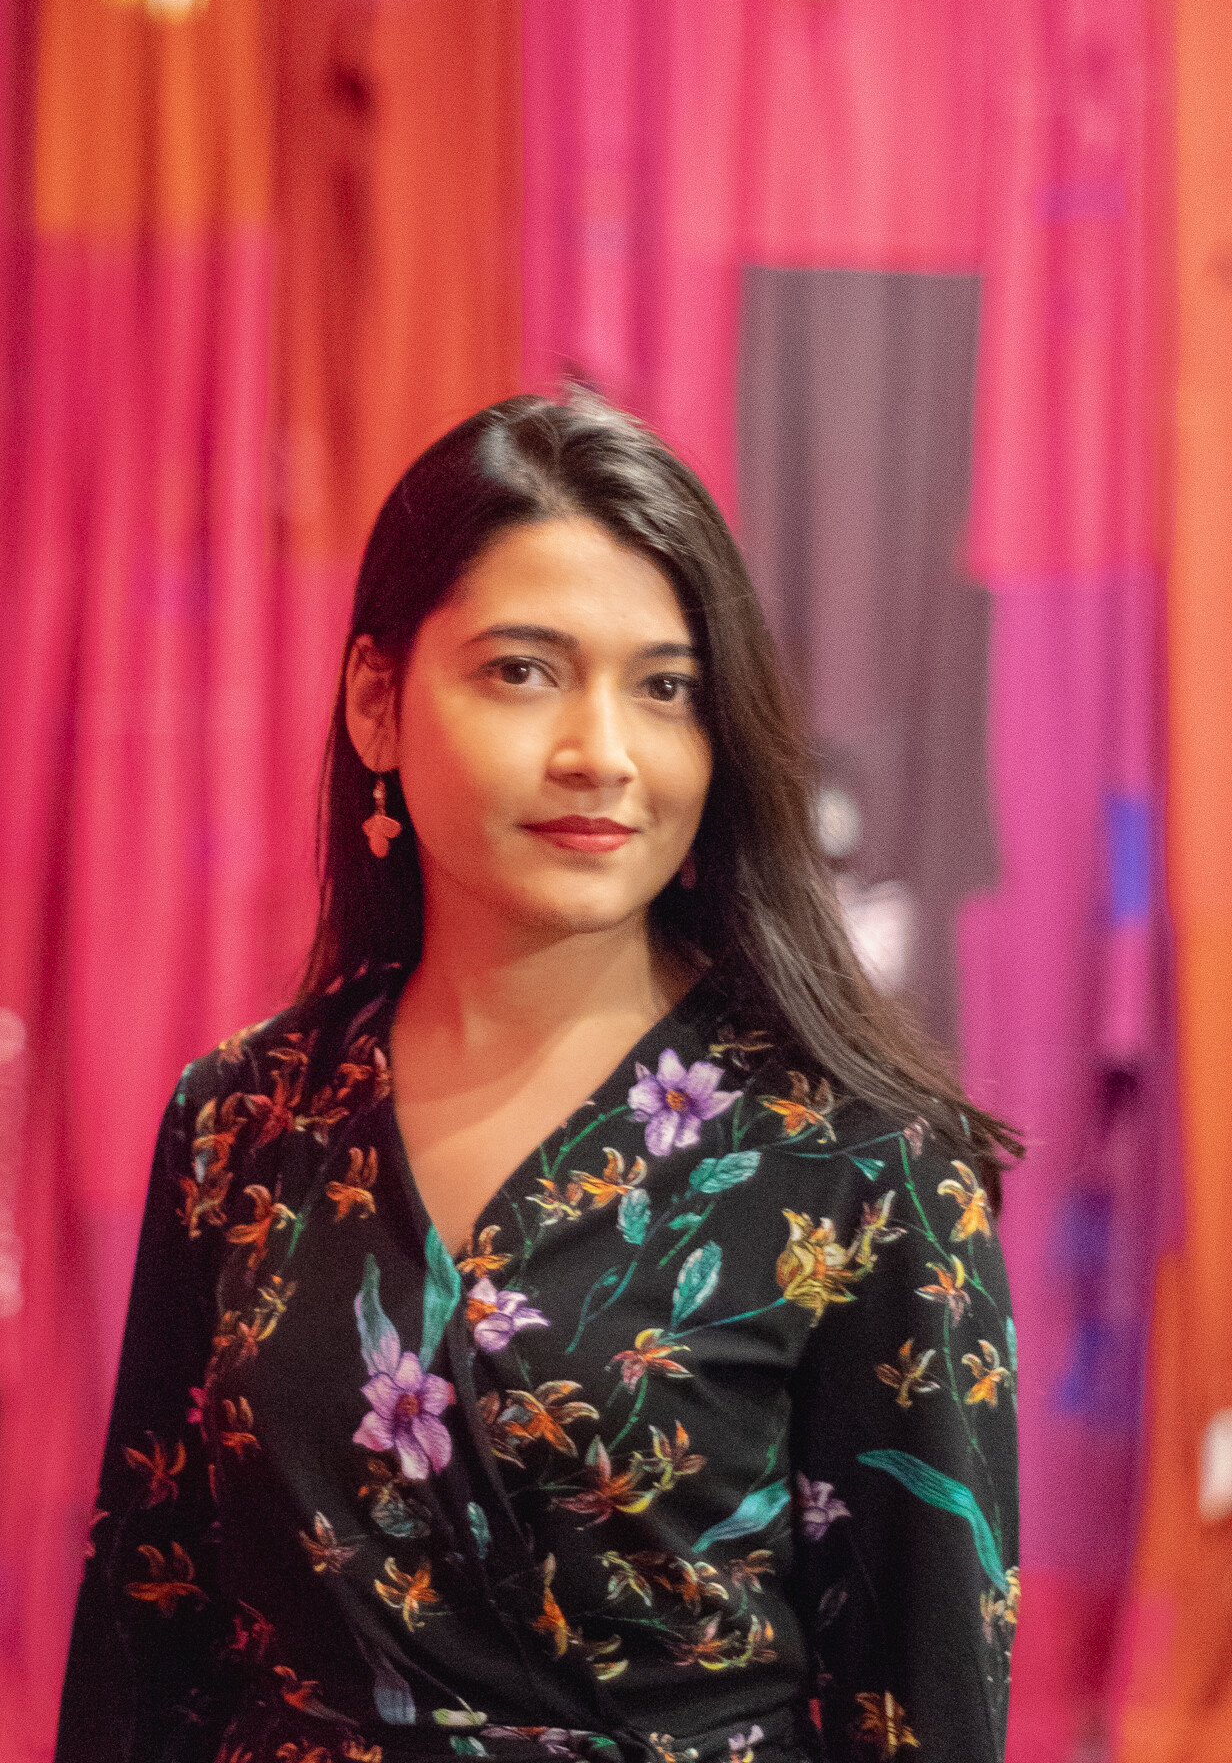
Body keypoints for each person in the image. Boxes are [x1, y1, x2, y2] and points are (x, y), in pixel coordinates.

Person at [55, 391, 1020, 1763]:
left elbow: (921, 1700)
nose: (602, 754)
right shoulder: (243, 1121)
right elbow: (150, 1632)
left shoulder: (856, 1161)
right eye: (524, 671)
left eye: (665, 687)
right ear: (378, 703)